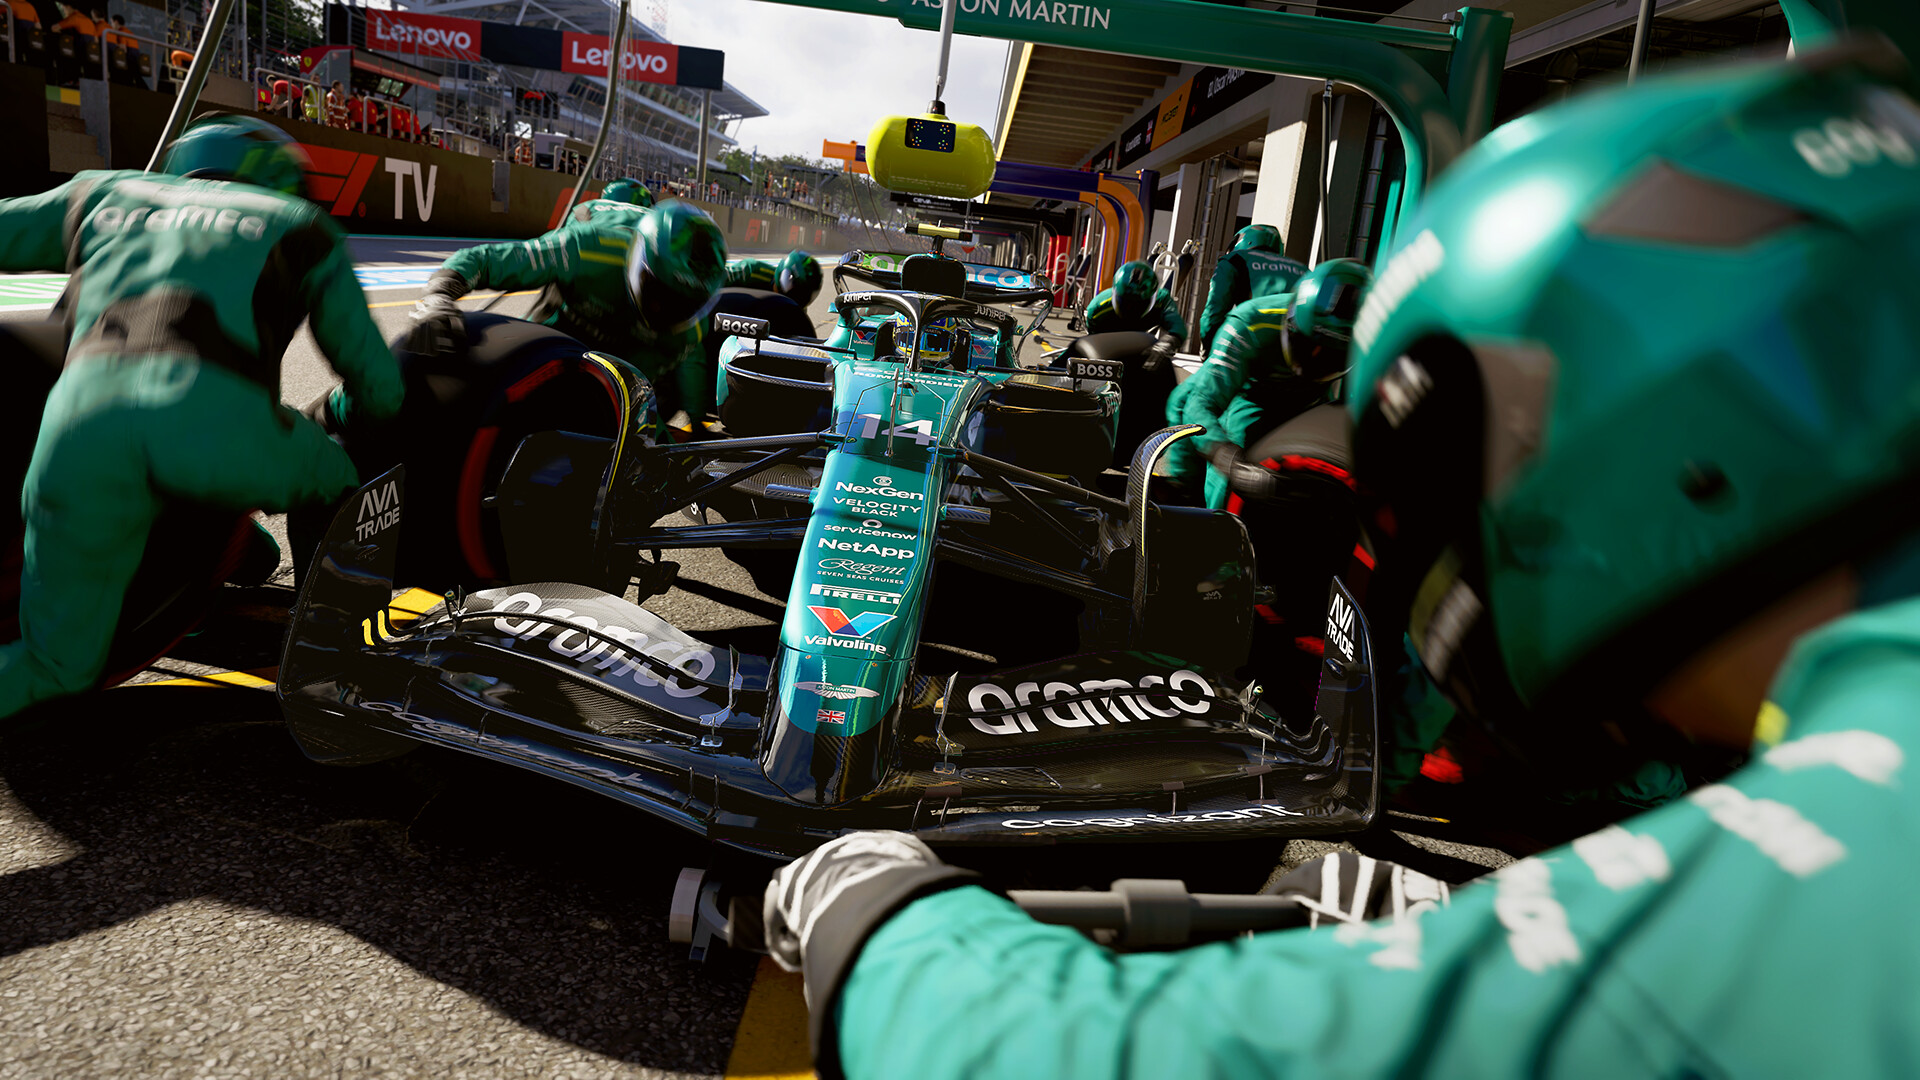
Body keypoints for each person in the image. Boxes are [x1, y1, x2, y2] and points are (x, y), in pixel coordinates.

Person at [756, 36, 1920, 1080]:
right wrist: (1218, 463)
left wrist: (875, 899)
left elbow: (1074, 1052)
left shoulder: (1842, 860)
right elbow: (1205, 402)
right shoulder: (1253, 329)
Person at [0, 115, 402, 719]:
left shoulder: (101, 193)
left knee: (54, 665)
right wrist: (349, 411)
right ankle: (334, 651)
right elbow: (380, 387)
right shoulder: (302, 224)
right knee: (343, 481)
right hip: (225, 435)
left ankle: (216, 571)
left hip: (78, 429)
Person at [411, 200, 727, 436]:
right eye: (659, 294)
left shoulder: (690, 329)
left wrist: (690, 431)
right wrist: (438, 296)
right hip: (557, 332)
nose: (665, 310)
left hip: (624, 365)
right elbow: (488, 259)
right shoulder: (589, 248)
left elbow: (652, 392)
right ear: (637, 258)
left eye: (684, 305)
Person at [1160, 258, 1369, 509]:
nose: (1316, 358)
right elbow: (1201, 402)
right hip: (1251, 395)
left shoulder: (1373, 346)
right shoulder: (1250, 322)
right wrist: (1230, 462)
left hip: (1313, 401)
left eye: (1333, 356)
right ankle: (1190, 501)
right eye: (1308, 346)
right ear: (1291, 322)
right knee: (1187, 407)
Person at [1197, 222, 1309, 351]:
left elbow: (1214, 312)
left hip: (1257, 338)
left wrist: (1207, 348)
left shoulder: (1234, 260)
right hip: (1299, 345)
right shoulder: (1303, 269)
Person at [1082, 258, 1187, 346]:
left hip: (1141, 343)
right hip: (1108, 341)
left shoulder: (1162, 301)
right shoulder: (1098, 308)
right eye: (1126, 303)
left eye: (1138, 306)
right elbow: (1093, 339)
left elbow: (1177, 327)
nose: (1131, 312)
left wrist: (1168, 344)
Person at [723, 249, 822, 310]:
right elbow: (717, 279)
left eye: (799, 293)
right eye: (791, 286)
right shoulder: (751, 270)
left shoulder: (797, 308)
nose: (791, 294)